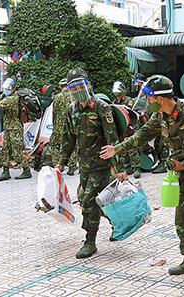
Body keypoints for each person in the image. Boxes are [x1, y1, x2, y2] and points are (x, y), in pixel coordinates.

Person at [100, 75, 184, 275]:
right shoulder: (160, 116)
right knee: (183, 221)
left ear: (160, 98)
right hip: (179, 177)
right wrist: (116, 149)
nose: (147, 102)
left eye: (149, 98)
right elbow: (142, 135)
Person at [55, 68, 127, 259]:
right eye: (73, 87)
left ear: (88, 85)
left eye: (80, 85)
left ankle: (90, 240)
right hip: (84, 165)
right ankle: (117, 221)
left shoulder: (102, 107)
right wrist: (61, 163)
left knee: (87, 200)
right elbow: (68, 138)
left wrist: (118, 168)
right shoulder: (72, 110)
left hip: (101, 164)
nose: (77, 90)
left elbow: (113, 140)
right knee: (95, 199)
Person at [0, 78, 32, 181]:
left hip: (15, 128)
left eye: (7, 89)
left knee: (17, 151)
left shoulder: (12, 98)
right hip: (8, 128)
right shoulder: (11, 97)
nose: (5, 90)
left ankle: (26, 170)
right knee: (5, 149)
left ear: (13, 89)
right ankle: (5, 171)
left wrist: (0, 96)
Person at [112, 81, 141, 178]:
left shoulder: (129, 101)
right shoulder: (114, 103)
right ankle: (127, 167)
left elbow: (132, 114)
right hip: (122, 128)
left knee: (132, 147)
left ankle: (136, 167)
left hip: (131, 127)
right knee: (122, 148)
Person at [49, 78, 78, 175]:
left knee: (54, 144)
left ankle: (58, 164)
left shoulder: (57, 97)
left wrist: (54, 124)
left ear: (61, 86)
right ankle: (72, 166)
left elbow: (54, 112)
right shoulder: (74, 96)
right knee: (72, 143)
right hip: (72, 124)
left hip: (59, 126)